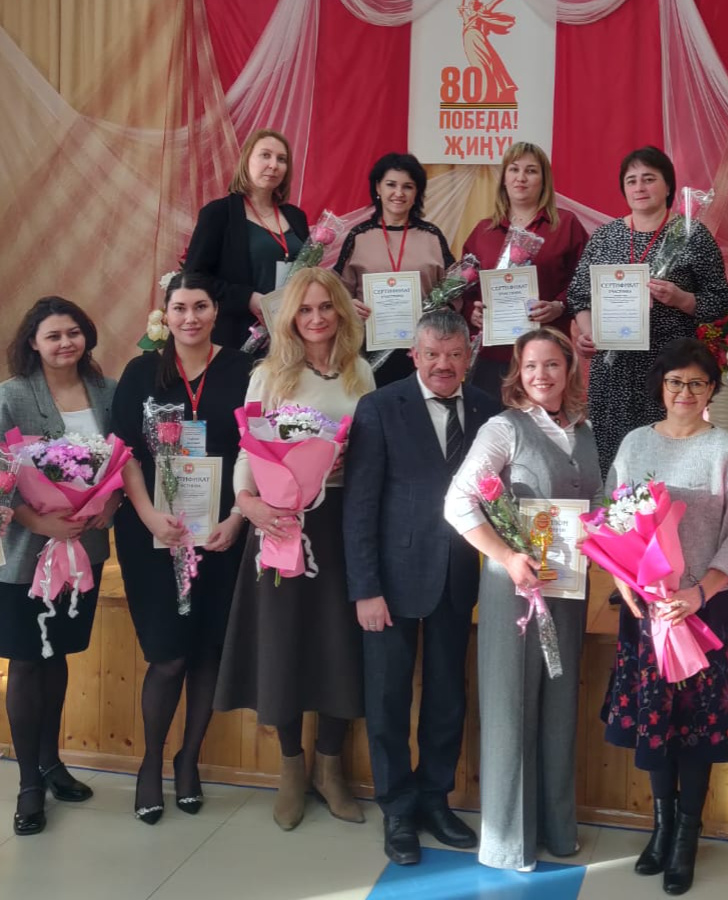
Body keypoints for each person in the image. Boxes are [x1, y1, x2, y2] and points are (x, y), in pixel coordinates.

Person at [600, 338, 728, 896]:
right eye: (675, 382)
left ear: (712, 389)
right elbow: (611, 519)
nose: (685, 392)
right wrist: (623, 580)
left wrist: (700, 591)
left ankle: (687, 834)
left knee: (696, 728)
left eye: (697, 382)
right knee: (657, 722)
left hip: (707, 611)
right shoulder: (634, 443)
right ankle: (661, 827)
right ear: (661, 387)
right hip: (648, 611)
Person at [216, 268, 375, 830]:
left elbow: (371, 453)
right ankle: (290, 768)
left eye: (325, 307)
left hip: (338, 524)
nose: (316, 318)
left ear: (341, 312)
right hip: (279, 524)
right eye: (304, 309)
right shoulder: (268, 376)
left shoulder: (360, 373)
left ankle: (330, 768)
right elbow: (247, 451)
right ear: (290, 318)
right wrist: (247, 505)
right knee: (281, 643)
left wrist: (346, 458)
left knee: (337, 643)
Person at [344, 309, 499, 866]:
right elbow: (360, 505)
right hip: (390, 583)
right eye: (432, 354)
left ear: (468, 357)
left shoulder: (487, 410)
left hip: (458, 579)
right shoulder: (380, 407)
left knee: (447, 696)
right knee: (387, 699)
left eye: (454, 355)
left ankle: (435, 798)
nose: (443, 365)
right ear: (414, 356)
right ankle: (397, 809)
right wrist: (365, 588)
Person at [445, 327, 600, 871]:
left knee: (558, 709)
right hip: (514, 590)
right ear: (517, 371)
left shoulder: (583, 430)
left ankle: (556, 828)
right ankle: (509, 841)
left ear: (569, 370)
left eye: (552, 364)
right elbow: (458, 501)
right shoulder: (503, 429)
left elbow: (597, 505)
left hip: (567, 588)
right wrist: (506, 556)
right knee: (511, 707)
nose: (541, 375)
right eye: (531, 365)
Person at [111, 273, 252, 824]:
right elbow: (123, 451)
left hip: (221, 532)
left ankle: (188, 760)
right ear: (164, 316)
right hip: (153, 532)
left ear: (216, 312)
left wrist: (238, 518)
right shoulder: (141, 372)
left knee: (208, 651)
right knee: (168, 655)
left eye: (200, 306)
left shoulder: (244, 369)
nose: (190, 317)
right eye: (179, 308)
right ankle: (150, 762)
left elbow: (256, 450)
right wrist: (149, 514)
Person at [0, 297, 118, 836]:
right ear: (33, 343)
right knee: (25, 663)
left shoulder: (106, 391)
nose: (65, 343)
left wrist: (109, 505)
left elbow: (123, 461)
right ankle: (27, 784)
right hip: (22, 556)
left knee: (57, 656)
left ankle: (51, 762)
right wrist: (39, 522)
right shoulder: (10, 395)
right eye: (54, 335)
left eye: (74, 333)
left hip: (83, 549)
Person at [566, 146, 728, 473]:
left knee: (667, 462)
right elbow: (579, 297)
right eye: (632, 181)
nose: (639, 187)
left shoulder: (691, 235)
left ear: (668, 186)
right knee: (615, 464)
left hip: (671, 371)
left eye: (649, 178)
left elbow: (719, 300)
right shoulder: (605, 237)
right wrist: (589, 333)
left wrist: (682, 299)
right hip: (614, 372)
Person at [461, 143, 588, 400]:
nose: (521, 177)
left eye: (531, 171)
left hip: (547, 354)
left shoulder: (566, 225)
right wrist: (471, 312)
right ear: (504, 179)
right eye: (514, 169)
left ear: (544, 180)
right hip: (493, 357)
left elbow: (584, 282)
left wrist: (559, 305)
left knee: (545, 423)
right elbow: (465, 288)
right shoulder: (483, 231)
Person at [183, 129, 312, 349]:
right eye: (265, 155)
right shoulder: (218, 213)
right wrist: (247, 298)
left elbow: (308, 273)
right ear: (246, 160)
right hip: (238, 338)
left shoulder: (296, 216)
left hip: (291, 336)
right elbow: (194, 277)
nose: (274, 165)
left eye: (282, 159)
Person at [335, 152, 456, 387]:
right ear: (378, 187)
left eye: (407, 186)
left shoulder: (432, 236)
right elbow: (338, 290)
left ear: (417, 192)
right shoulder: (359, 236)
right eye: (391, 184)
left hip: (424, 350)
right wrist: (347, 305)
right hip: (367, 349)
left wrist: (443, 309)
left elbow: (455, 291)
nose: (399, 193)